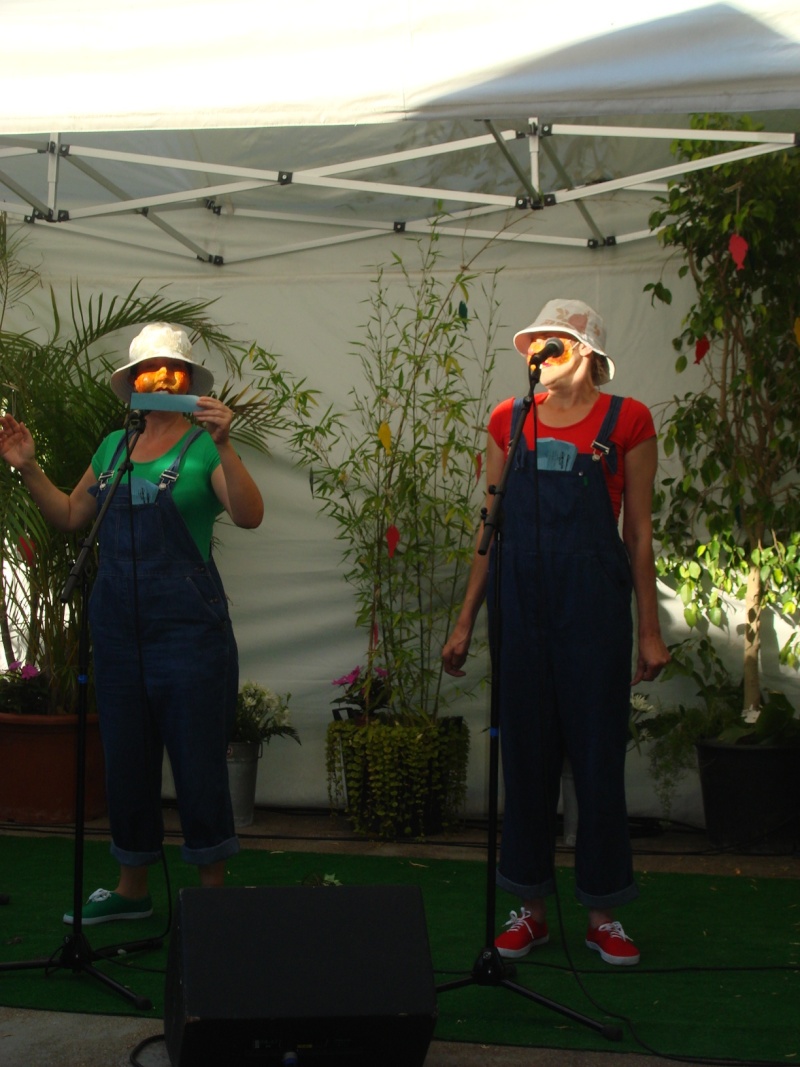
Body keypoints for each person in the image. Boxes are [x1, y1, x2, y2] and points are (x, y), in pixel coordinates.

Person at [0, 322, 264, 925]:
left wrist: (225, 443)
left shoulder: (202, 447)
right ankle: (132, 889)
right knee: (126, 761)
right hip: (118, 633)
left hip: (189, 634)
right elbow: (71, 516)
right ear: (136, 383)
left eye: (172, 371)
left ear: (189, 382)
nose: (160, 380)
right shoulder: (112, 448)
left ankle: (211, 898)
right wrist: (27, 466)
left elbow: (249, 516)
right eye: (149, 372)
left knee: (198, 763)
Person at [442, 299, 669, 966]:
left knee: (597, 759)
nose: (539, 354)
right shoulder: (508, 421)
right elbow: (490, 528)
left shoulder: (629, 419)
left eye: (556, 344)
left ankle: (603, 911)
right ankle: (527, 907)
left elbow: (638, 531)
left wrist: (649, 630)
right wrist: (465, 621)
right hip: (522, 611)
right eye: (534, 343)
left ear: (589, 354)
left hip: (594, 610)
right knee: (527, 757)